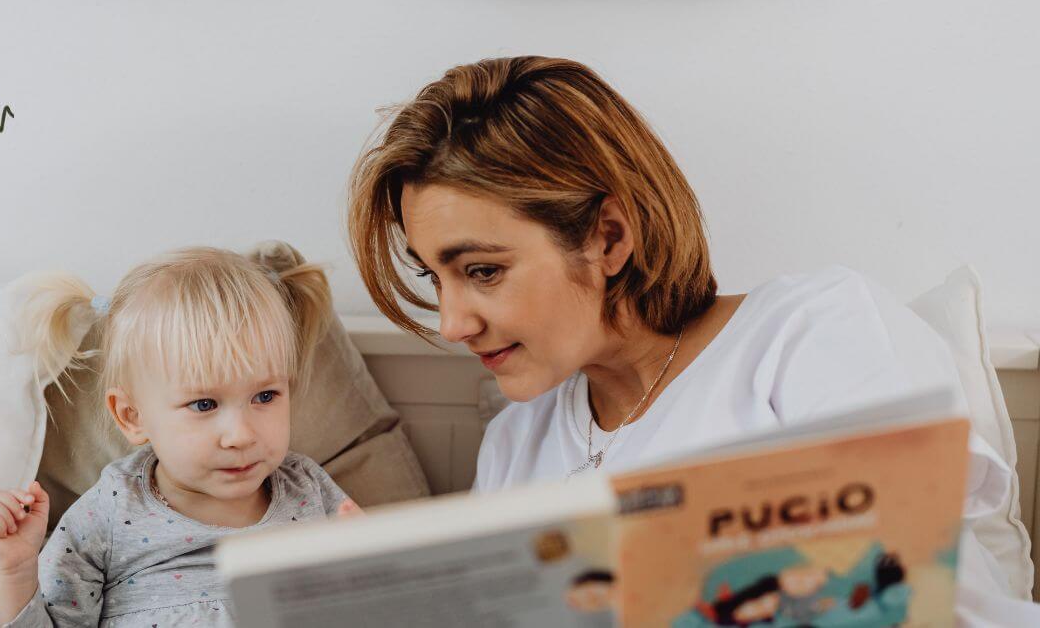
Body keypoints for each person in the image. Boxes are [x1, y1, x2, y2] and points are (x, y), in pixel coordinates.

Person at [347, 55, 1030, 611]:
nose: (453, 322)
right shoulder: (516, 445)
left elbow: (898, 589)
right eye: (436, 277)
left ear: (607, 238)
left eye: (483, 270)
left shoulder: (814, 332)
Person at [0, 247, 359, 627]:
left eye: (265, 396)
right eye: (204, 405)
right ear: (132, 416)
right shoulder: (110, 513)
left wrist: (371, 560)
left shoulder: (308, 489)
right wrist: (17, 572)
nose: (241, 435)